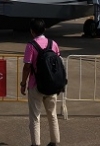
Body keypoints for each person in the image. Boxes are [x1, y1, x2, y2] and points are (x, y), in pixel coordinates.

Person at [20, 18, 61, 146]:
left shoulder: (31, 45)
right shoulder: (53, 44)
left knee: (35, 117)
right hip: (51, 85)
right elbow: (58, 63)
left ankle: (35, 144)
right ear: (45, 29)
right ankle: (55, 141)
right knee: (52, 114)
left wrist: (23, 83)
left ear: (32, 31)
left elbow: (27, 66)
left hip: (35, 85)